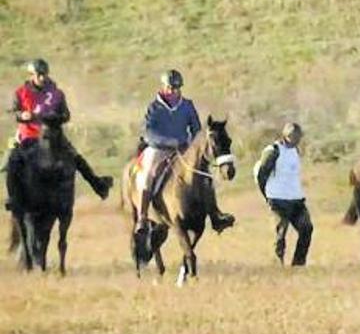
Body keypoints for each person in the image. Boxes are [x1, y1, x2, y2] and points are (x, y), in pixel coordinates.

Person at [5, 58, 112, 214]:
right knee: (12, 161)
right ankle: (13, 197)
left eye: (44, 74)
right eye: (39, 74)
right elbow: (14, 112)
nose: (42, 78)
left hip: (52, 135)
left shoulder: (56, 94)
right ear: (32, 75)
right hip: (28, 135)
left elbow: (66, 115)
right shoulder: (21, 93)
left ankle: (98, 184)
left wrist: (54, 118)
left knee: (75, 157)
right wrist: (22, 114)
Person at [136, 69, 234, 233]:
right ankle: (143, 217)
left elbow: (196, 128)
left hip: (183, 148)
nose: (175, 91)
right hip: (158, 149)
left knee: (205, 175)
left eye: (177, 88)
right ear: (164, 87)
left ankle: (216, 215)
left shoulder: (187, 105)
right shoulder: (154, 107)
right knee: (148, 176)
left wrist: (193, 144)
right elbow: (148, 132)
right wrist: (169, 142)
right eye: (171, 88)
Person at [255, 122, 313, 267]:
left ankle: (298, 264)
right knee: (281, 233)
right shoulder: (273, 151)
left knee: (307, 228)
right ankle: (278, 264)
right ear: (287, 136)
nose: (298, 140)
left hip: (296, 199)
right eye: (296, 137)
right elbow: (261, 174)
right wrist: (267, 195)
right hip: (278, 199)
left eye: (299, 137)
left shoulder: (295, 151)